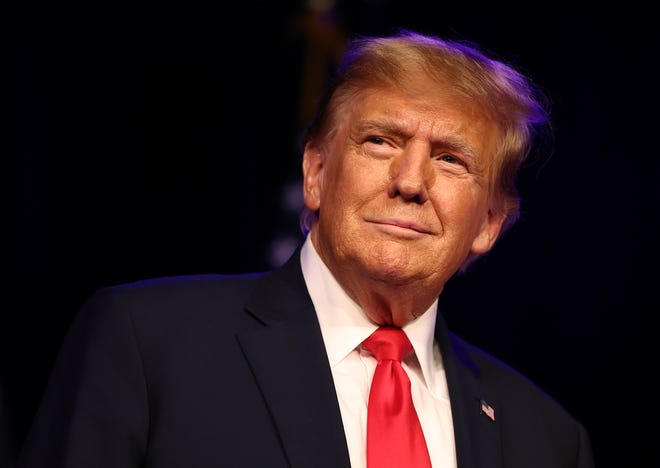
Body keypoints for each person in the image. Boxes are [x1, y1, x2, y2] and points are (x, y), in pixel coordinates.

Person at [16, 29, 595, 467]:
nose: (411, 182)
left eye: (451, 159)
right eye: (379, 141)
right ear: (315, 172)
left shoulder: (544, 438)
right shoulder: (145, 346)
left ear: (490, 222)